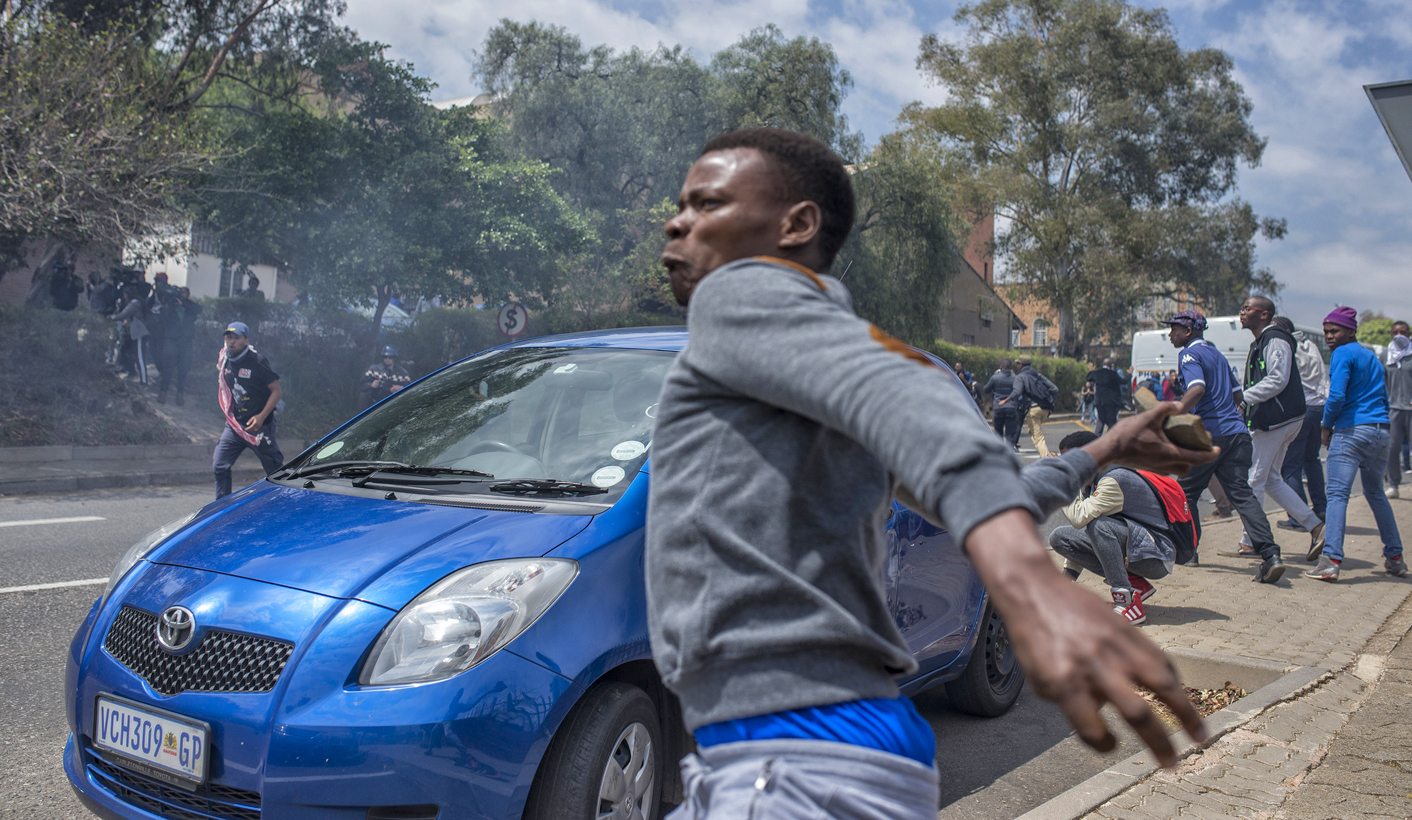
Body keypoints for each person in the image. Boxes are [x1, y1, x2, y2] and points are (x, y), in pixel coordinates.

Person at [650, 128, 1210, 818]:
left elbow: (929, 429)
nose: (677, 221)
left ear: (796, 226)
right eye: (682, 204)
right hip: (839, 756)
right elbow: (993, 482)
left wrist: (1027, 578)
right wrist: (1105, 450)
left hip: (797, 762)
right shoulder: (795, 377)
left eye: (707, 203)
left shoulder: (746, 306)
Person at [1164, 309, 1285, 582]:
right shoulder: (1217, 355)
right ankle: (1271, 554)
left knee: (1184, 493)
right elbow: (1238, 395)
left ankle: (1189, 551)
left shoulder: (1189, 355)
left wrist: (1174, 414)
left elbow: (1197, 388)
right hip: (1237, 435)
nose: (1170, 334)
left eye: (1174, 329)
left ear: (1188, 331)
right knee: (1242, 495)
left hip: (1210, 435)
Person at [1306, 308, 1407, 581]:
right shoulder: (1371, 356)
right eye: (1326, 332)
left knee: (1337, 495)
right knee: (1376, 493)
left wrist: (1326, 426)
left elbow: (1337, 396)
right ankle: (1395, 558)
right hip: (1380, 432)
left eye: (1334, 331)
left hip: (1351, 431)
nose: (1329, 336)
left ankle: (1330, 560)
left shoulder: (1342, 354)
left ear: (1351, 331)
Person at [1049, 430, 1178, 626]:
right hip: (1136, 549)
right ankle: (1135, 585)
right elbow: (1081, 529)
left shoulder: (1113, 480)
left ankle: (1128, 604)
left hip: (1156, 556)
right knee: (1060, 537)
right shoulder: (1093, 479)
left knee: (1099, 527)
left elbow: (1079, 518)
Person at [1233, 296, 1324, 560]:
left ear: (1264, 314)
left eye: (1247, 308)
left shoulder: (1275, 339)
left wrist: (1244, 398)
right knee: (1272, 479)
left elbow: (1277, 378)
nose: (1242, 313)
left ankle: (1252, 541)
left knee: (1254, 479)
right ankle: (1316, 526)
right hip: (1278, 419)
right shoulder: (1264, 340)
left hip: (1277, 419)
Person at [213, 321, 284, 499]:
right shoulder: (225, 361)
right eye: (228, 338)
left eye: (236, 338)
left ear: (246, 340)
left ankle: (282, 501)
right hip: (235, 426)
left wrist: (261, 417)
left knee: (274, 469)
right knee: (220, 465)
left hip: (259, 426)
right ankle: (223, 505)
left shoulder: (257, 361)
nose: (231, 342)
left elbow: (276, 391)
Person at [1275, 317, 1328, 529]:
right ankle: (1321, 508)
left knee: (1290, 466)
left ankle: (1298, 517)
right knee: (1312, 460)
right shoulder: (1310, 345)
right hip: (1319, 407)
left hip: (1301, 409)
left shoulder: (1286, 347)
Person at [1009, 355, 1059, 456]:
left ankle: (1046, 458)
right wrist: (1050, 402)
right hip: (1045, 409)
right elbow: (1055, 389)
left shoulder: (1020, 377)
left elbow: (1017, 393)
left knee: (1038, 436)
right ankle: (1047, 455)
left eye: (1018, 364)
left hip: (1033, 409)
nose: (1017, 366)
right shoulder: (1038, 375)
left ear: (1021, 364)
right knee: (1033, 432)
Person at [1384, 321, 1412, 499]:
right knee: (1391, 449)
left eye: (1403, 332)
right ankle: (1394, 485)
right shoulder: (1387, 357)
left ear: (1409, 334)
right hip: (1394, 409)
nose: (1399, 335)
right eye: (1395, 332)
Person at [168, 287, 202, 406]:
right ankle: (163, 391)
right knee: (168, 366)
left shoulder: (191, 306)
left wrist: (183, 304)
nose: (183, 295)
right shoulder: (172, 304)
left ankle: (180, 394)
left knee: (183, 369)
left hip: (186, 341)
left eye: (185, 293)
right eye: (181, 293)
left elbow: (198, 310)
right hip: (173, 340)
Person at [111, 284, 150, 384]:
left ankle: (144, 381)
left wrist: (112, 317)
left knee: (140, 357)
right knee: (131, 353)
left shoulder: (134, 303)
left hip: (139, 332)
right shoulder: (138, 302)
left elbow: (123, 314)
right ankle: (133, 374)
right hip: (135, 332)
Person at [981, 359, 1022, 450]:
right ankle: (1009, 450)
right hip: (1011, 407)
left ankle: (999, 451)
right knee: (1010, 433)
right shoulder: (1015, 378)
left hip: (998, 407)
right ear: (1010, 367)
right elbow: (1018, 392)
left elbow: (986, 389)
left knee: (998, 431)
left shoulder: (995, 378)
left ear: (1001, 367)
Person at [1089, 358, 1124, 436]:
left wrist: (1092, 370)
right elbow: (1122, 381)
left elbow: (1089, 377)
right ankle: (1110, 438)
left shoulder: (1097, 373)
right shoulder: (1112, 374)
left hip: (1098, 401)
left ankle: (1096, 437)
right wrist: (1130, 374)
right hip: (1110, 401)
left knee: (1101, 420)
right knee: (1112, 421)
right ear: (1111, 365)